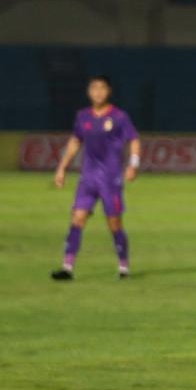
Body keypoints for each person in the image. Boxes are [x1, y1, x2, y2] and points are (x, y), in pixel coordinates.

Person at [51, 75, 141, 281]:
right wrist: (61, 168)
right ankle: (67, 268)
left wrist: (133, 165)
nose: (97, 92)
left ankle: (123, 267)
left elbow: (134, 140)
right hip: (88, 178)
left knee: (114, 223)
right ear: (88, 92)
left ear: (108, 91)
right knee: (77, 217)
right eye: (94, 88)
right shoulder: (82, 116)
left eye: (102, 88)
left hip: (110, 179)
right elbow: (75, 141)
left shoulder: (119, 117)